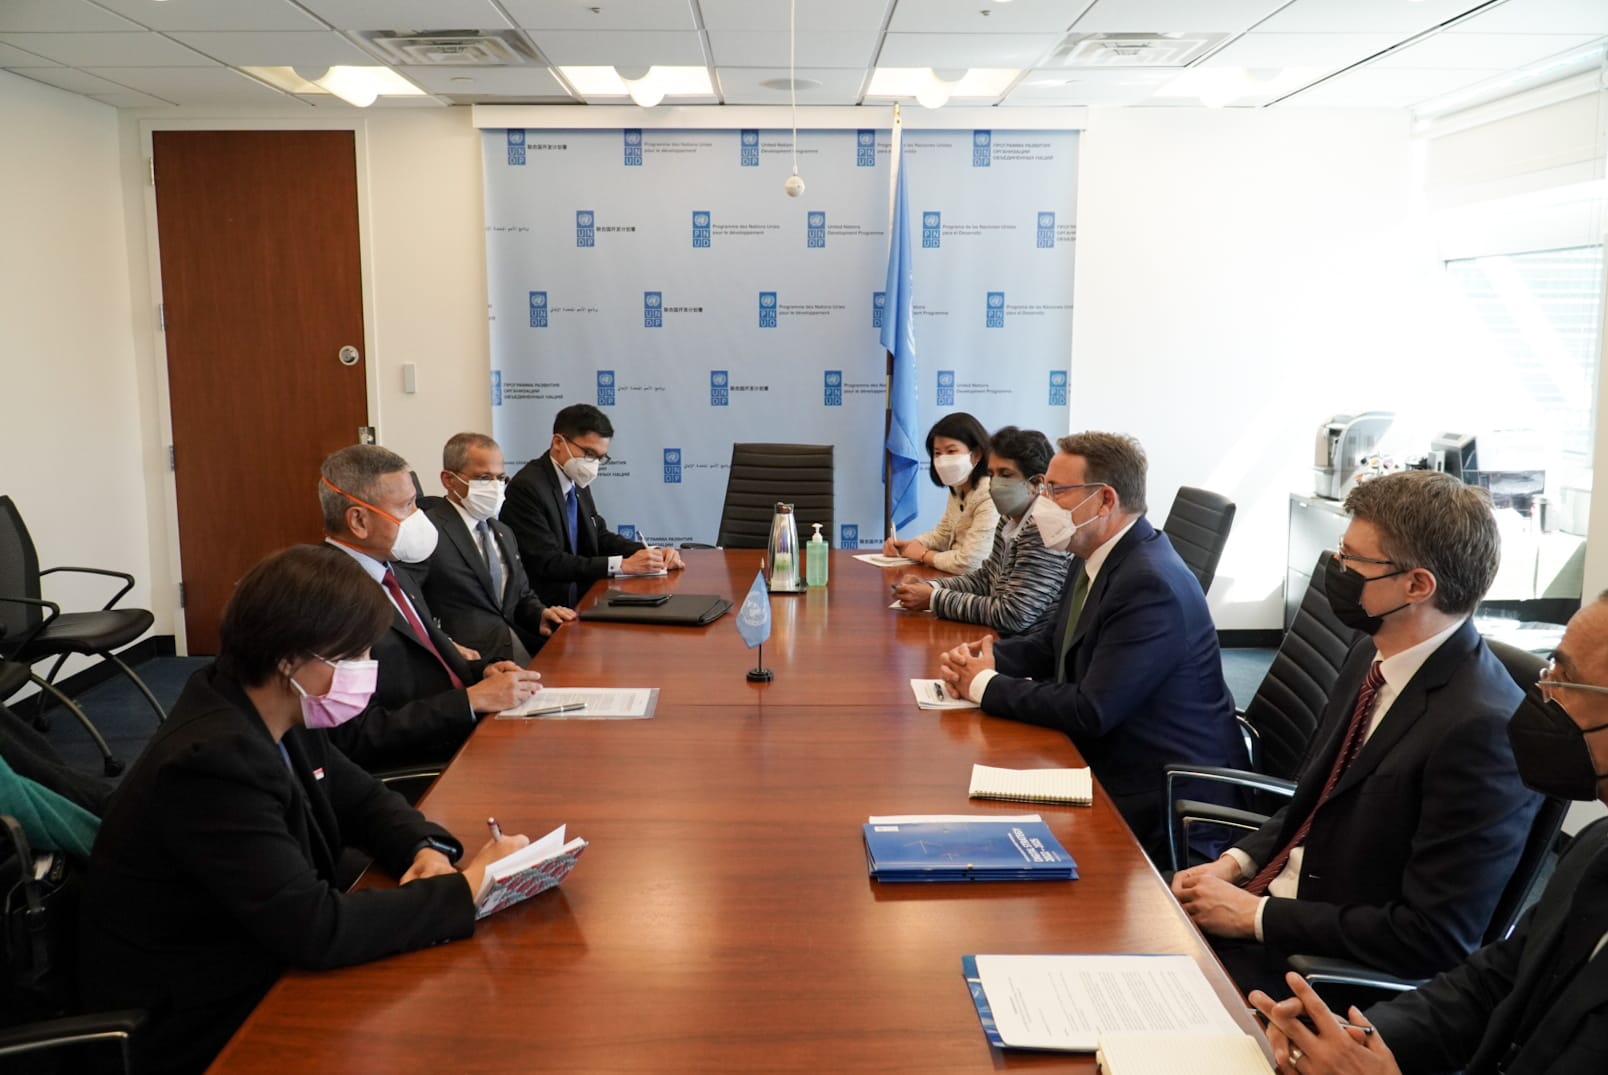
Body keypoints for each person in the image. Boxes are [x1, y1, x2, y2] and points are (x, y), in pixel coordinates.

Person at [78, 545, 531, 1075]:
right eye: (354, 655)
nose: (367, 670)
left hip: (261, 954)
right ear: (288, 658)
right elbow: (315, 928)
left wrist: (424, 847)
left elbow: (363, 798)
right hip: (203, 1017)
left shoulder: (269, 707)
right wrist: (468, 887)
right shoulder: (212, 762)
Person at [1174, 470, 1542, 996]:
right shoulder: (1370, 659)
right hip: (1267, 912)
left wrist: (1256, 916)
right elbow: (1320, 799)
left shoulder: (1482, 730)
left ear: (1417, 585)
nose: (1336, 570)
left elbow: (1435, 937)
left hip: (1317, 975)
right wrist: (1235, 863)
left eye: (1351, 559)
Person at [1250, 592, 1608, 1075]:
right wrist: (1363, 1038)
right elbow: (1496, 981)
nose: (1543, 697)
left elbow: (1436, 939)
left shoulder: (1476, 723)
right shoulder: (1597, 847)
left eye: (1566, 681)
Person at [936, 431, 1246, 864]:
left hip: (1162, 795)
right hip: (1117, 756)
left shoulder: (1148, 584)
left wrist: (985, 687)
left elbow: (1092, 709)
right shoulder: (1097, 553)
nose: (1042, 502)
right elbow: (1055, 642)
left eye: (1056, 491)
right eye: (1043, 487)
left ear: (1104, 501)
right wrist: (986, 660)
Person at [320, 445, 542, 772]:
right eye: (407, 506)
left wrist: (483, 672)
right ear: (358, 520)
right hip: (424, 764)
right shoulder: (329, 598)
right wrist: (470, 700)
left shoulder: (392, 572)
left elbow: (431, 663)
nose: (420, 516)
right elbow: (354, 734)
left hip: (461, 734)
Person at [414, 432, 576, 666]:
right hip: (465, 663)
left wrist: (540, 614)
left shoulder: (503, 531)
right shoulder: (427, 531)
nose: (495, 487)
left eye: (500, 478)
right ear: (448, 480)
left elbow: (520, 595)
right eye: (483, 478)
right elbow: (412, 608)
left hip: (517, 651)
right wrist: (446, 646)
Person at [501, 403, 685, 608]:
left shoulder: (574, 478)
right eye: (588, 453)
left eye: (600, 457)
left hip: (584, 597)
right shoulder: (528, 487)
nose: (593, 464)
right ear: (558, 442)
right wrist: (622, 565)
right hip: (547, 607)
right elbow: (548, 562)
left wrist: (651, 553)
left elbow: (599, 536)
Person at [892, 426, 1070, 635]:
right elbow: (986, 579)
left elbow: (1015, 615)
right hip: (1003, 638)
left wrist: (933, 599)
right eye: (992, 474)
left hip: (1027, 652)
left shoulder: (1043, 527)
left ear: (1037, 483)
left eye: (1006, 474)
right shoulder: (1009, 519)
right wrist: (932, 586)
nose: (995, 484)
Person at [882, 412, 1000, 574]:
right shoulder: (958, 487)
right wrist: (911, 545)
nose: (943, 460)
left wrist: (924, 555)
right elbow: (944, 534)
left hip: (980, 586)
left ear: (976, 454)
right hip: (954, 579)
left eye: (951, 451)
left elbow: (972, 562)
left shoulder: (990, 494)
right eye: (937, 453)